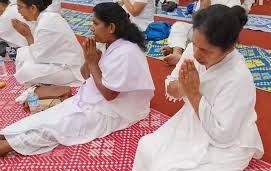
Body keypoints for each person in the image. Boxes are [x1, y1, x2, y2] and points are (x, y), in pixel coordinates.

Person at [0, 2, 155, 157]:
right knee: (50, 115)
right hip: (93, 98)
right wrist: (89, 59)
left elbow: (110, 95)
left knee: (58, 128)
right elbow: (85, 75)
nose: (91, 28)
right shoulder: (106, 43)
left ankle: (7, 146)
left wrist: (93, 63)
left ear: (111, 28)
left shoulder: (126, 52)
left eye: (95, 23)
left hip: (116, 111)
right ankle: (7, 134)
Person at [131, 4, 264, 171]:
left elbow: (223, 135)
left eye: (205, 51)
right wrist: (183, 87)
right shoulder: (194, 50)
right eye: (194, 44)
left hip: (227, 142)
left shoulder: (238, 77)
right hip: (193, 121)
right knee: (147, 148)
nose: (196, 54)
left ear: (229, 48)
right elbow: (171, 86)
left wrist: (193, 94)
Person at [11, 0, 84, 86]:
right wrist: (28, 35)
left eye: (20, 7)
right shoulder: (47, 17)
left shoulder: (45, 24)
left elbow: (39, 57)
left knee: (26, 71)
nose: (18, 11)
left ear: (33, 8)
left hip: (70, 70)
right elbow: (39, 52)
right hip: (61, 62)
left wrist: (28, 35)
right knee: (23, 52)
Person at [162, 0, 241, 66]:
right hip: (200, 34)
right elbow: (196, 22)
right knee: (179, 25)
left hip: (217, 37)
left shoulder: (232, 1)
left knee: (206, 46)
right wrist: (203, 5)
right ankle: (177, 53)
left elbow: (231, 27)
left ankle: (179, 47)